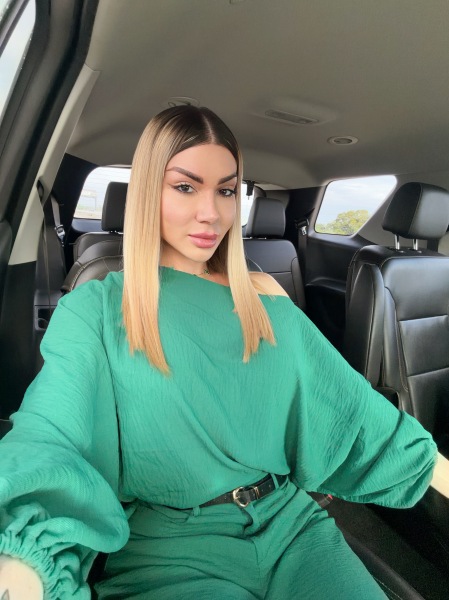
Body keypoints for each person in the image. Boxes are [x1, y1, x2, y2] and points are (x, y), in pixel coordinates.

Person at [0, 105, 447, 600]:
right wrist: (23, 564)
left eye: (227, 190)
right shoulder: (95, 309)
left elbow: (354, 412)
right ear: (148, 191)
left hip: (291, 526)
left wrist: (437, 470)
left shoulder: (264, 296)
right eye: (185, 186)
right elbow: (54, 430)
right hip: (170, 547)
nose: (211, 212)